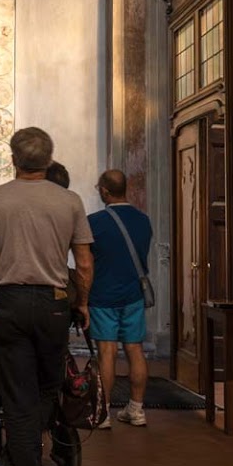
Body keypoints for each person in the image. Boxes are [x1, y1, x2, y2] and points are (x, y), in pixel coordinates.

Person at [0, 126, 94, 466]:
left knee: (16, 395)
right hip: (53, 303)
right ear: (49, 159)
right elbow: (84, 263)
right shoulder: (69, 201)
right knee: (47, 387)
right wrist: (83, 302)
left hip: (8, 302)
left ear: (13, 159)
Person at [87, 169, 153, 429]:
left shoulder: (94, 222)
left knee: (107, 352)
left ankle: (103, 413)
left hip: (103, 294)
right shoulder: (143, 221)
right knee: (135, 349)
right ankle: (136, 409)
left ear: (104, 191)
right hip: (133, 294)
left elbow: (86, 262)